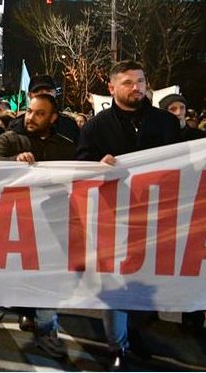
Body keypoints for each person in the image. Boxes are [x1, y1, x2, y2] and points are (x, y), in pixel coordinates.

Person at [77, 60, 180, 370]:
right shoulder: (95, 127)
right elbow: (80, 166)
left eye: (141, 81)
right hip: (113, 218)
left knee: (146, 283)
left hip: (155, 217)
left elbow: (188, 158)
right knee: (115, 283)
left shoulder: (166, 122)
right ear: (111, 88)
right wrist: (97, 165)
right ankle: (117, 345)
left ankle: (136, 333)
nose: (137, 87)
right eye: (128, 82)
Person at [0, 93, 75, 360]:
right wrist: (14, 161)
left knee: (48, 276)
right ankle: (9, 309)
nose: (31, 118)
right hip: (15, 222)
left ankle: (47, 330)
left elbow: (83, 171)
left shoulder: (66, 145)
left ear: (53, 118)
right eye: (30, 111)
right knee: (13, 273)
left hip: (52, 222)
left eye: (40, 114)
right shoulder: (10, 139)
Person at [8, 75, 80, 143]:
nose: (43, 95)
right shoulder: (16, 126)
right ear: (29, 95)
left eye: (48, 91)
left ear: (55, 93)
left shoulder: (69, 125)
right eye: (37, 92)